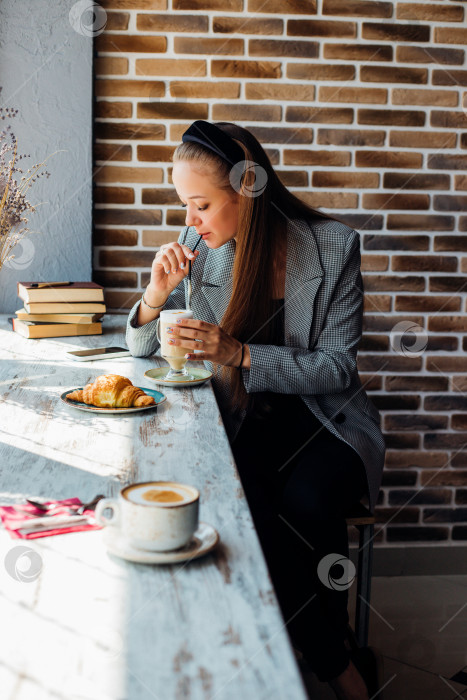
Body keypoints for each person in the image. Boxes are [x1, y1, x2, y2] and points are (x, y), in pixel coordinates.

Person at [125, 120, 386, 700]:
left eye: (201, 205)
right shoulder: (203, 252)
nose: (189, 222)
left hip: (327, 421)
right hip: (245, 418)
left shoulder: (333, 245)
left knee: (310, 501)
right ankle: (336, 661)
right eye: (184, 206)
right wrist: (154, 297)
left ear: (245, 189)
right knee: (244, 506)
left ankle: (326, 647)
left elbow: (339, 367)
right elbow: (144, 350)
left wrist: (241, 353)